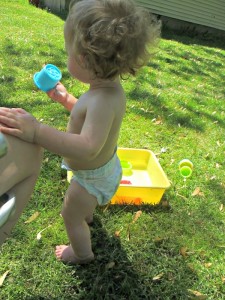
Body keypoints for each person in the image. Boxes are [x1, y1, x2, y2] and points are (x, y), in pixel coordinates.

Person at [0, 0, 160, 264]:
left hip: (91, 179)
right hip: (104, 169)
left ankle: (81, 253)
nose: (67, 57)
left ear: (85, 60)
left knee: (70, 215)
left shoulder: (101, 99)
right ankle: (88, 214)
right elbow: (90, 118)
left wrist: (37, 131)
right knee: (82, 211)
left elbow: (87, 146)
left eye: (68, 53)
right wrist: (67, 100)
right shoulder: (108, 90)